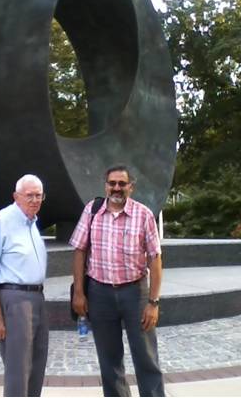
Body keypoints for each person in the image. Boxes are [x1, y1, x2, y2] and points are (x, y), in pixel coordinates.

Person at [70, 165, 165, 397]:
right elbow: (80, 251)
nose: (116, 188)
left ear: (131, 187)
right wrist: (79, 293)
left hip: (135, 294)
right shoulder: (91, 211)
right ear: (105, 185)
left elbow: (155, 259)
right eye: (112, 183)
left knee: (146, 357)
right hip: (99, 294)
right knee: (109, 360)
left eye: (122, 184)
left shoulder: (143, 215)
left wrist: (153, 302)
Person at [0, 174, 49, 397]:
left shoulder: (32, 223)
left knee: (37, 364)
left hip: (37, 297)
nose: (34, 200)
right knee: (18, 369)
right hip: (15, 299)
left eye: (39, 195)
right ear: (16, 196)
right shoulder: (2, 221)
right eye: (29, 195)